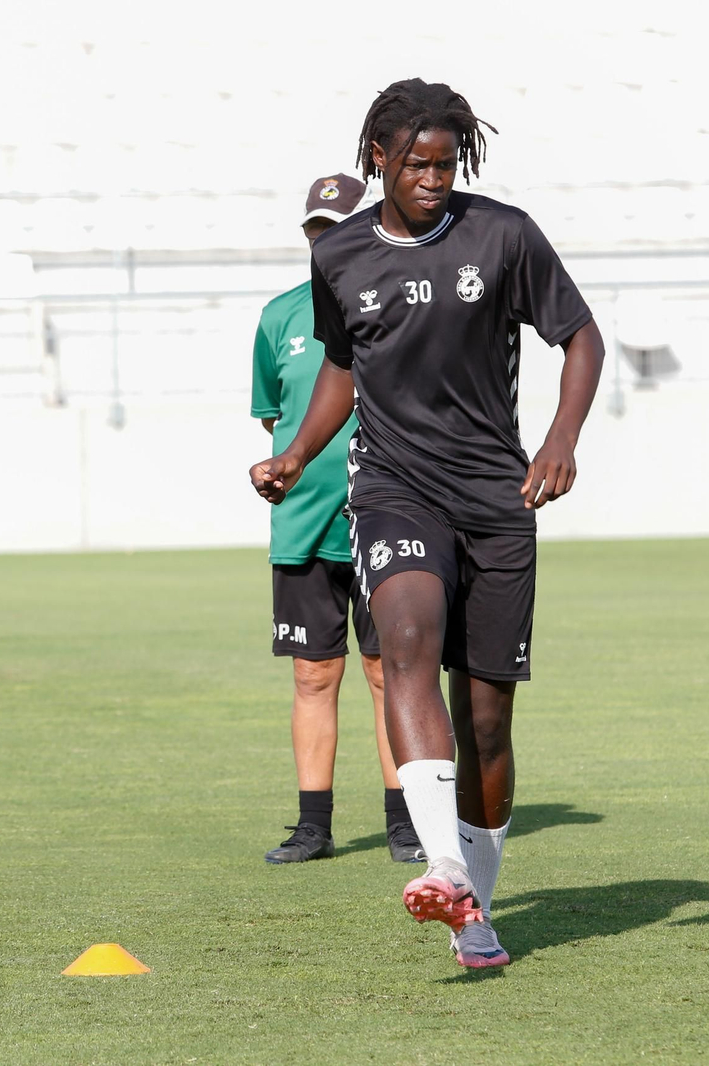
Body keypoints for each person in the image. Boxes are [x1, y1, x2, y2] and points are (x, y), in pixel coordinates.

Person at [249, 79, 605, 969]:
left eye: (448, 163)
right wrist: (297, 454)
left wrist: (560, 441)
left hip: (496, 495)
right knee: (405, 636)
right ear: (379, 159)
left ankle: (475, 904)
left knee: (486, 716)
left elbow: (583, 337)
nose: (436, 178)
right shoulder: (339, 258)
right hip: (393, 485)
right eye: (418, 164)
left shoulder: (504, 235)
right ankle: (442, 860)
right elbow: (342, 364)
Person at [251, 172, 425, 867]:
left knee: (392, 672)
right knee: (313, 677)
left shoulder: (405, 307)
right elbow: (276, 413)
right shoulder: (279, 316)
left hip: (388, 514)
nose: (324, 245)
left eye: (337, 232)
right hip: (305, 525)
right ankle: (312, 826)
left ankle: (406, 823)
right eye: (316, 233)